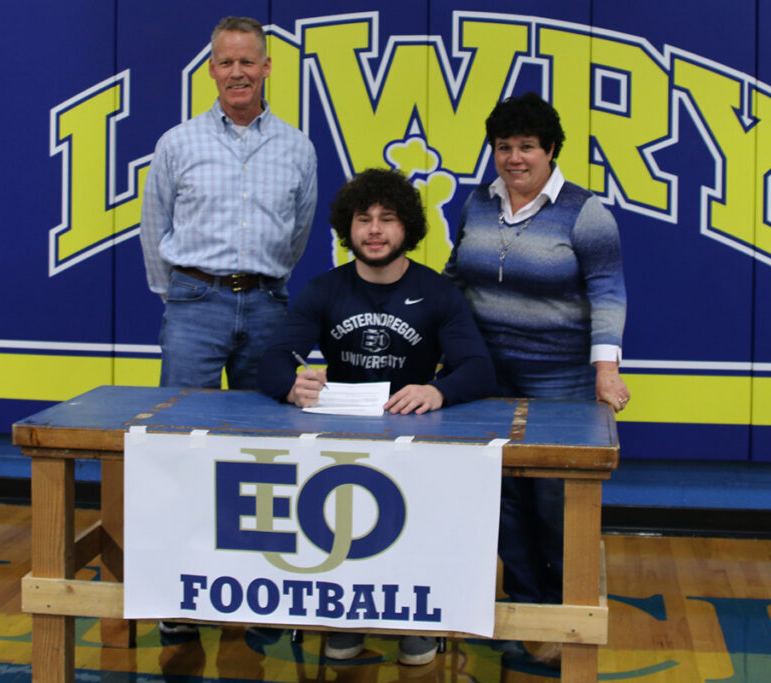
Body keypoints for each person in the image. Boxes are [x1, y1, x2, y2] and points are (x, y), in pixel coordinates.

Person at [258, 168, 495, 664]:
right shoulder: (323, 290)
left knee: (418, 524)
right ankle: (347, 618)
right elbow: (275, 360)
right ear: (348, 228)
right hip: (344, 442)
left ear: (406, 227)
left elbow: (478, 368)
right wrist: (290, 385)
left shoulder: (437, 291)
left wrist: (438, 390)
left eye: (387, 219)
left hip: (415, 443)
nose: (374, 230)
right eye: (363, 219)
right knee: (344, 522)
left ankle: (418, 620)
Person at [443, 92, 630, 665]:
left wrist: (606, 369)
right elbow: (455, 279)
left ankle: (563, 611)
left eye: (527, 146)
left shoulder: (587, 213)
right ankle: (523, 609)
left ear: (551, 150)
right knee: (501, 501)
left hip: (561, 384)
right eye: (504, 146)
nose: (514, 157)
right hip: (485, 379)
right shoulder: (476, 204)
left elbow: (608, 291)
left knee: (555, 502)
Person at [140, 16, 318, 391]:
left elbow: (298, 232)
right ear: (212, 69)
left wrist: (268, 279)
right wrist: (176, 293)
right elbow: (154, 225)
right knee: (180, 423)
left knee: (261, 428)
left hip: (268, 304)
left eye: (248, 62)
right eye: (226, 63)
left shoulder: (298, 147)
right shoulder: (177, 144)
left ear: (266, 67)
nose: (237, 73)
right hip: (194, 304)